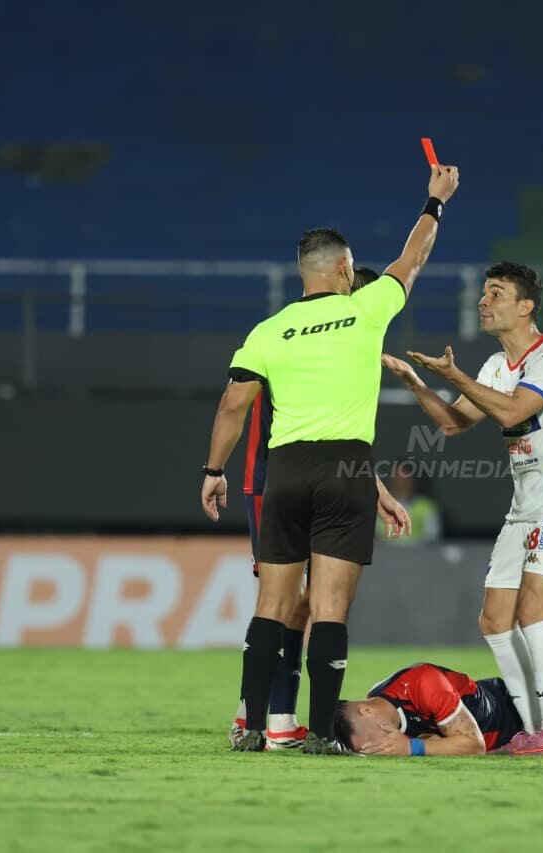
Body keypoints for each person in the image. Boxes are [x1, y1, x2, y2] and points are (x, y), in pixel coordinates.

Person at [201, 161, 460, 754]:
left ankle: (257, 728)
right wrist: (435, 202)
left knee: (272, 605)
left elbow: (232, 407)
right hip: (345, 472)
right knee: (329, 609)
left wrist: (213, 472)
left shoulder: (267, 331)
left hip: (285, 471)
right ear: (345, 270)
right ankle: (320, 733)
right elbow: (411, 259)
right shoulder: (366, 311)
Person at [382, 261, 543, 757]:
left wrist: (454, 373)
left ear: (526, 307)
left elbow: (513, 411)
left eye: (496, 293)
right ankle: (529, 724)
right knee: (494, 620)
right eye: (484, 293)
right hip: (524, 510)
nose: (484, 300)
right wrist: (418, 383)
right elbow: (455, 423)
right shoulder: (496, 367)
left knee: (532, 613)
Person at [229, 266, 390, 751]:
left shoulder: (289, 337)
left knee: (298, 605)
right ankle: (264, 716)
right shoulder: (311, 341)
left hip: (297, 478)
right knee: (293, 605)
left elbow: (332, 432)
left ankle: (272, 716)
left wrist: (376, 489)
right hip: (267, 480)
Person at [333, 662, 543, 756]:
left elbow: (472, 745)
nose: (380, 746)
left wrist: (413, 747)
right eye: (370, 751)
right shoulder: (379, 711)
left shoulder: (422, 683)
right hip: (491, 737)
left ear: (366, 711)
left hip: (517, 711)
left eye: (373, 741)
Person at [374, 468, 444, 544]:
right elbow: (373, 535)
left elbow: (433, 537)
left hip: (417, 554)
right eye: (399, 478)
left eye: (407, 479)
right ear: (392, 480)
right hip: (385, 553)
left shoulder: (427, 506)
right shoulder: (380, 504)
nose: (403, 483)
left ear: (414, 481)